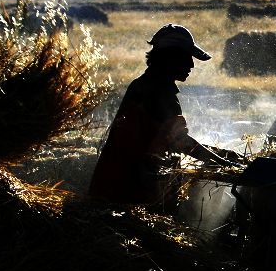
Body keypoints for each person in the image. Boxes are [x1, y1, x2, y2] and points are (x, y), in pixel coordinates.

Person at [89, 24, 230, 210]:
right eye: (186, 57)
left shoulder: (142, 84)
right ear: (169, 57)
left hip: (108, 188)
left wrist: (224, 155)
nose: (191, 64)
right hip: (126, 196)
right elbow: (181, 142)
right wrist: (226, 163)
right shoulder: (159, 91)